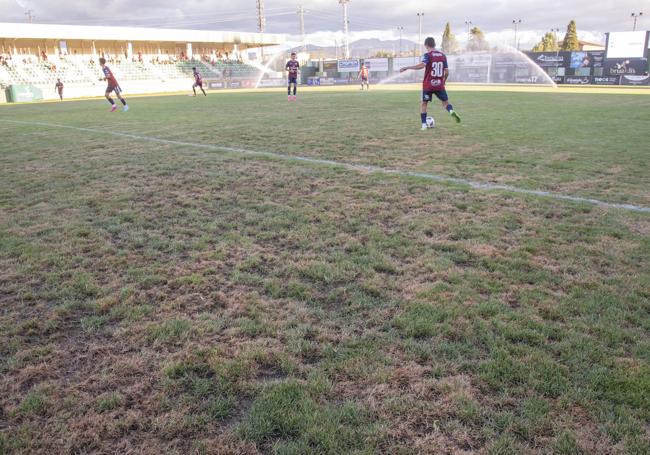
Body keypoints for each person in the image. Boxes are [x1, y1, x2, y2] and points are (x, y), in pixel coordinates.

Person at [400, 37, 461, 130]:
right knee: (445, 103)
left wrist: (407, 67)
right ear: (434, 44)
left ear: (426, 45)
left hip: (428, 85)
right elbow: (447, 72)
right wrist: (443, 81)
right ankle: (451, 111)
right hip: (439, 85)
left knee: (424, 104)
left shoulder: (428, 55)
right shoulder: (443, 55)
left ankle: (424, 125)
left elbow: (422, 65)